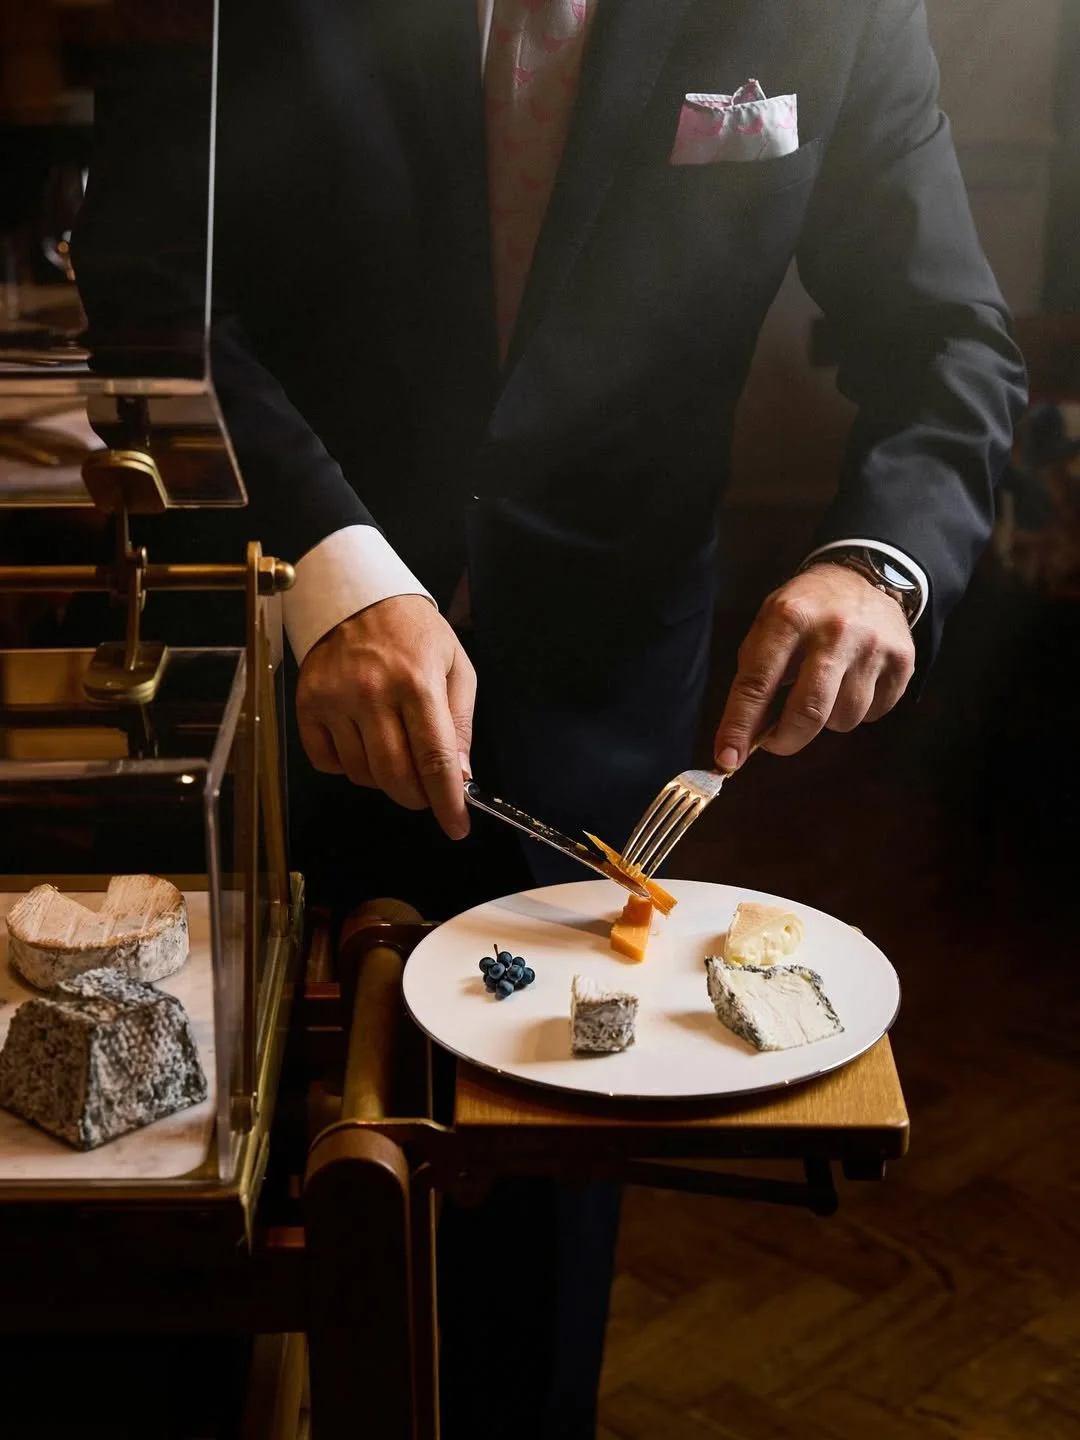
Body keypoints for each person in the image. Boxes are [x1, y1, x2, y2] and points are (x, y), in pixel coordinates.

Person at [71, 0, 1026, 1434]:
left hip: (601, 693)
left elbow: (947, 334)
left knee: (534, 1257)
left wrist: (877, 562)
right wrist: (331, 567)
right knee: (199, 1219)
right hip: (255, 672)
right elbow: (149, 279)